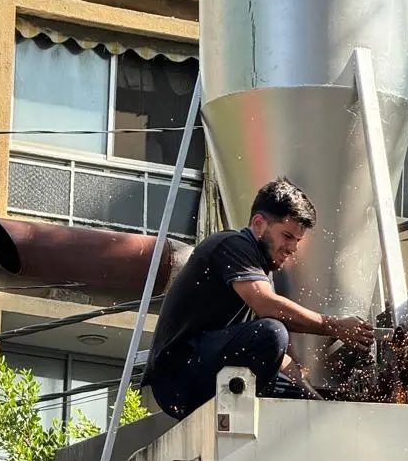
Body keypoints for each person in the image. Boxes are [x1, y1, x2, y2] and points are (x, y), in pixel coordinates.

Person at [143, 177, 374, 421]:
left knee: (297, 398)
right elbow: (265, 306)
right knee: (273, 332)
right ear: (258, 223)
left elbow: (276, 355)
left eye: (297, 241)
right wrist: (333, 326)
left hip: (205, 368)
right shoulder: (232, 244)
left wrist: (316, 403)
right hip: (178, 377)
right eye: (287, 236)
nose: (292, 248)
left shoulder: (261, 274)